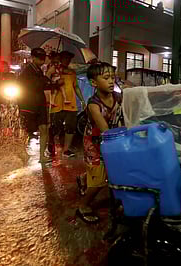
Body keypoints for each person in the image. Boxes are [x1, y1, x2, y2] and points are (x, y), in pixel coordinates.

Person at [76, 62, 124, 224]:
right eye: (106, 78)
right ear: (93, 83)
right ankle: (83, 206)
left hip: (111, 141)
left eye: (112, 77)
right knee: (99, 181)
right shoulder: (93, 104)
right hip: (94, 144)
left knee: (106, 171)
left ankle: (83, 178)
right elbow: (104, 129)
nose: (111, 81)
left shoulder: (118, 97)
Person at [18, 48, 55, 163]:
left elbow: (44, 85)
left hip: (39, 104)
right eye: (40, 57)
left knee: (44, 128)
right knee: (26, 130)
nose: (42, 59)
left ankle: (42, 156)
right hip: (28, 105)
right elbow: (37, 85)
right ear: (33, 57)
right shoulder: (27, 71)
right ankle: (22, 152)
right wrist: (48, 75)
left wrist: (53, 82)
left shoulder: (38, 70)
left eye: (44, 57)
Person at [48, 50, 86, 159]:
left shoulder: (72, 72)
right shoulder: (53, 70)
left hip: (71, 104)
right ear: (60, 58)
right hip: (56, 104)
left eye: (69, 58)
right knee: (55, 127)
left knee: (71, 127)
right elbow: (46, 83)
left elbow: (76, 87)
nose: (67, 60)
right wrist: (54, 81)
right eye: (65, 58)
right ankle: (51, 145)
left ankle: (66, 149)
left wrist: (82, 100)